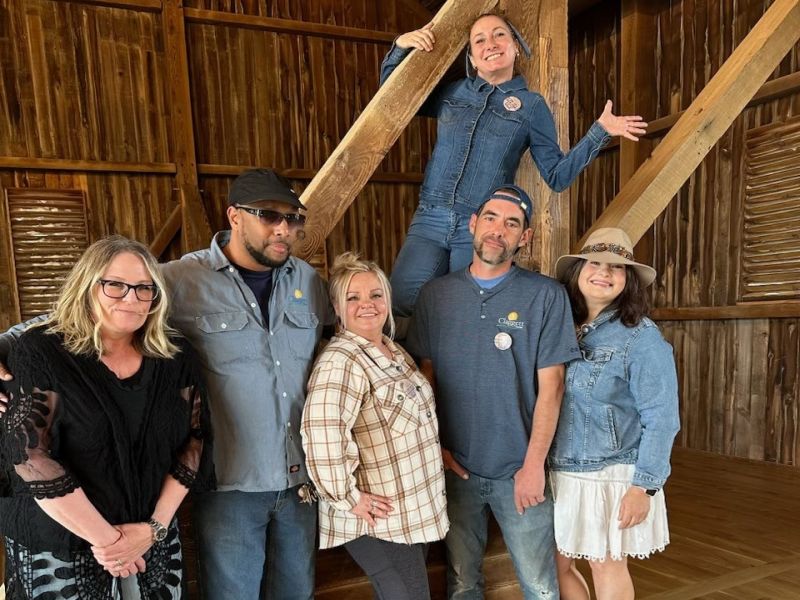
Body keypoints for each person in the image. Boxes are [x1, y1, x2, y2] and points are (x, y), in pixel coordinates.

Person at [0, 169, 335, 599]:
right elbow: (83, 312)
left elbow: (351, 328)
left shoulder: (308, 282)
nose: (283, 228)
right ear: (235, 217)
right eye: (270, 215)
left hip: (302, 481)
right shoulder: (179, 279)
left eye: (293, 218)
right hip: (232, 481)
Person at [380, 13, 648, 319]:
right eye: (479, 40)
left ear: (515, 47)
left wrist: (598, 132)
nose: (490, 44)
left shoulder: (532, 106)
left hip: (479, 227)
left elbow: (557, 176)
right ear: (471, 57)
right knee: (400, 301)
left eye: (499, 35)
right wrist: (400, 47)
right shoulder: (452, 93)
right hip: (429, 218)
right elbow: (392, 100)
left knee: (469, 312)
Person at [0, 235, 214, 599]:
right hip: (59, 545)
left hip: (152, 539)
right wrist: (111, 543)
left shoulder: (175, 356)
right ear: (87, 287)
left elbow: (194, 442)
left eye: (144, 288)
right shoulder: (41, 350)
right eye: (115, 285)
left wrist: (154, 529)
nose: (132, 298)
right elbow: (30, 456)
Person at [406, 185, 580, 599]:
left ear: (526, 237)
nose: (498, 230)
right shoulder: (436, 296)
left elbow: (552, 388)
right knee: (462, 582)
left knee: (540, 585)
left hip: (520, 468)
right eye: (490, 218)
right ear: (473, 224)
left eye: (511, 223)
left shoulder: (545, 296)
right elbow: (424, 379)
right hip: (456, 469)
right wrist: (438, 449)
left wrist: (534, 464)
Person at [301, 252, 447, 600]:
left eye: (375, 295)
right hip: (375, 519)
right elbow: (322, 435)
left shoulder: (393, 351)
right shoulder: (341, 360)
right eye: (353, 297)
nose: (366, 305)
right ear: (337, 307)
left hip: (407, 512)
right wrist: (347, 497)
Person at [548, 227, 680, 600]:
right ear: (578, 271)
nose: (604, 273)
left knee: (606, 565)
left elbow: (662, 417)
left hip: (610, 472)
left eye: (617, 268)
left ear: (628, 281)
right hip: (557, 470)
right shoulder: (559, 325)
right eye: (594, 262)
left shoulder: (640, 337)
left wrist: (644, 486)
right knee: (553, 566)